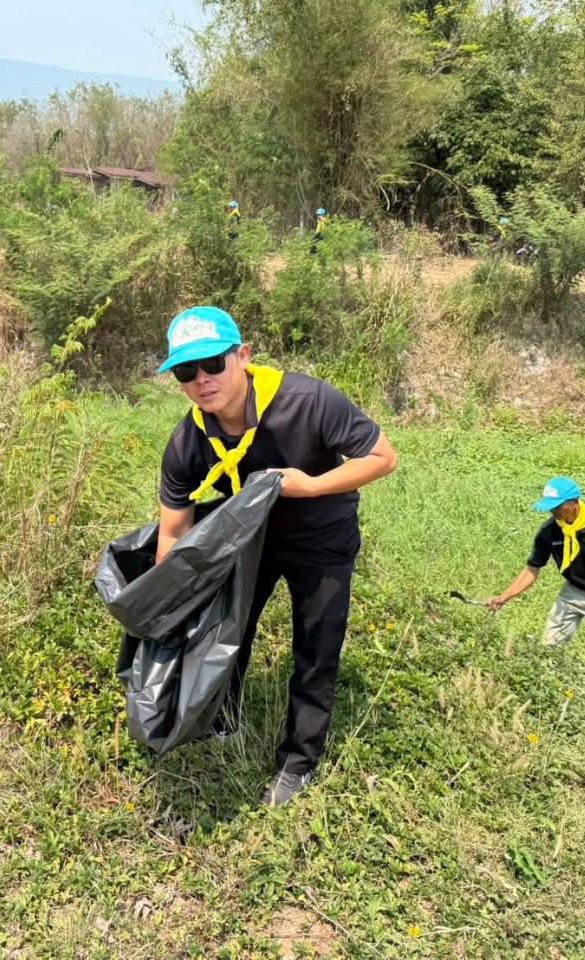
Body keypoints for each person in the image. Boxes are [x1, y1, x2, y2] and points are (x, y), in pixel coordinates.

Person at [155, 306, 398, 806]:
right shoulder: (187, 443)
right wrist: (165, 602)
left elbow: (383, 458)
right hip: (251, 544)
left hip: (322, 540)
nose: (202, 381)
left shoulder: (308, 402)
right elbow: (173, 531)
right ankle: (222, 718)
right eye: (186, 371)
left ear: (243, 356)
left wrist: (311, 488)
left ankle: (297, 762)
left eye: (213, 364)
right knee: (228, 629)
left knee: (316, 648)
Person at [486, 477, 585, 671]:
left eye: (557, 506)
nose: (553, 512)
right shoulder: (549, 532)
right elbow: (532, 569)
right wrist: (504, 597)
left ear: (574, 503)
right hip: (572, 594)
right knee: (547, 650)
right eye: (550, 507)